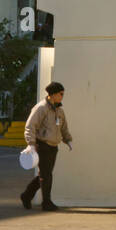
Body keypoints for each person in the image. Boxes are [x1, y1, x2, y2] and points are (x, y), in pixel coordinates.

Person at [21, 81, 72, 211]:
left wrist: (68, 140)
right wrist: (31, 144)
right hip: (42, 145)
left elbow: (63, 127)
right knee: (46, 175)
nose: (62, 96)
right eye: (60, 94)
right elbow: (30, 126)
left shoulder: (59, 110)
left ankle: (26, 195)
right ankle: (46, 202)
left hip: (53, 146)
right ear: (53, 94)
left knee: (44, 175)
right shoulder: (41, 108)